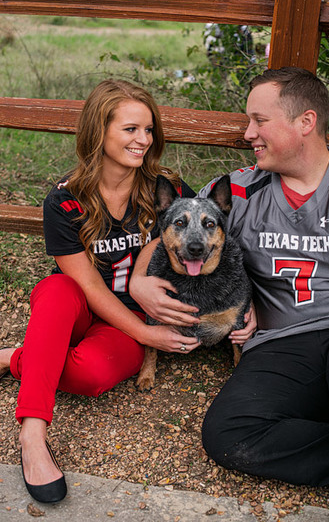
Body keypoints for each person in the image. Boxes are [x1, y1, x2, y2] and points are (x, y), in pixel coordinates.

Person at [129, 67, 329, 517]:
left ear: (305, 122)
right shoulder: (239, 189)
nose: (247, 133)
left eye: (259, 121)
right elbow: (171, 232)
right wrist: (140, 282)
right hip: (280, 341)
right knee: (227, 434)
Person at [0, 79, 196, 504]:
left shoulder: (169, 190)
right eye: (130, 129)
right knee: (56, 290)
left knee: (91, 376)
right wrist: (148, 338)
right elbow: (86, 284)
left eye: (148, 129)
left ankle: (17, 357)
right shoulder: (65, 200)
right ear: (99, 131)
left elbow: (205, 238)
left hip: (130, 318)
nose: (143, 140)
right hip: (82, 307)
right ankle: (33, 436)